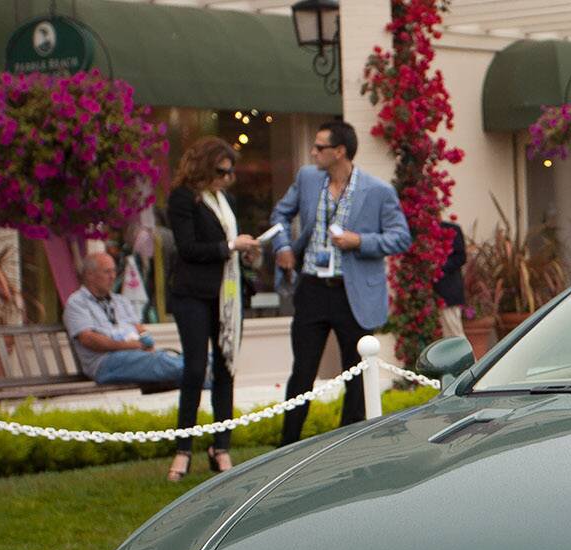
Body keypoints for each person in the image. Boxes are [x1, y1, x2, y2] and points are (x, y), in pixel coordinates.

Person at [270, 120, 413, 446]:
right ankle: (286, 446)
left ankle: (348, 446)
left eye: (320, 147)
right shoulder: (307, 179)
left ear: (340, 152)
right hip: (313, 289)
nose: (313, 152)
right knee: (303, 371)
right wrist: (282, 247)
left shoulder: (378, 191)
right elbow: (280, 215)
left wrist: (359, 241)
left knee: (357, 375)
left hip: (353, 294)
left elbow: (400, 237)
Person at [165, 136, 260, 481]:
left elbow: (226, 248)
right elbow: (187, 247)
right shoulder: (182, 198)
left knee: (226, 367)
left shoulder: (226, 200)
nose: (226, 177)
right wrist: (229, 246)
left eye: (230, 171)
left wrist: (245, 251)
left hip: (227, 296)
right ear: (204, 167)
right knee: (193, 368)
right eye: (221, 170)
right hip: (192, 294)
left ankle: (221, 446)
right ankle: (183, 449)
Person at [64, 252, 183, 387]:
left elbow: (139, 329)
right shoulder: (77, 302)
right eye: (107, 272)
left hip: (136, 356)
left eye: (114, 271)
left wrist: (145, 339)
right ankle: (202, 370)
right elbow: (88, 339)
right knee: (160, 361)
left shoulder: (120, 301)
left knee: (167, 361)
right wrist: (132, 345)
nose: (113, 276)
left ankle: (203, 370)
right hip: (105, 363)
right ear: (90, 275)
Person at [434, 219, 467, 339]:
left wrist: (438, 267)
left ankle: (468, 358)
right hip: (432, 296)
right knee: (443, 339)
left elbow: (461, 257)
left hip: (448, 292)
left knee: (455, 335)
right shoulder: (421, 232)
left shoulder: (451, 229)